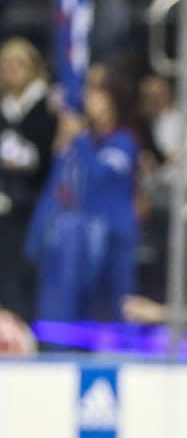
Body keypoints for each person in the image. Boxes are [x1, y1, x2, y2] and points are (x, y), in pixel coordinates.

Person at [24, 73, 139, 324]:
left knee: (116, 308)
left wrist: (78, 138)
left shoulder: (123, 142)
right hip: (81, 242)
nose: (89, 100)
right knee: (72, 308)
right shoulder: (80, 144)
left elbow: (100, 175)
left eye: (96, 94)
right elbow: (57, 189)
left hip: (115, 240)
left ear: (111, 101)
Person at [0, 37, 55, 322]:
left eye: (17, 64)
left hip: (37, 202)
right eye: (5, 65)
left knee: (28, 269)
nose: (9, 71)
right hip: (6, 201)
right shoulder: (4, 108)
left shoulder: (47, 106)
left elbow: (42, 156)